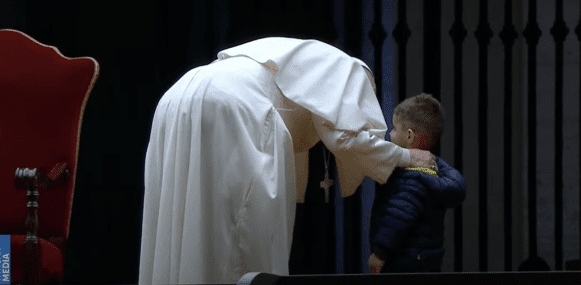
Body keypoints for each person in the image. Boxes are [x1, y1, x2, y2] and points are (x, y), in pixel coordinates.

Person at [138, 37, 437, 284]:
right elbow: (348, 138)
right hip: (237, 106)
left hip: (176, 98)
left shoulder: (299, 57)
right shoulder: (353, 71)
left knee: (184, 222)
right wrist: (406, 155)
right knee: (241, 248)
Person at [368, 93, 466, 274]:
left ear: (409, 136)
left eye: (395, 129)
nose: (390, 134)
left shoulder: (412, 178)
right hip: (427, 259)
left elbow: (397, 217)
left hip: (403, 261)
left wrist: (380, 253)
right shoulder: (434, 170)